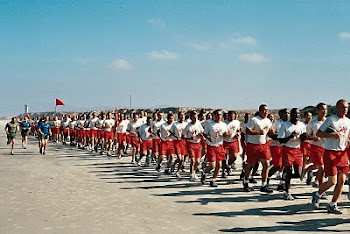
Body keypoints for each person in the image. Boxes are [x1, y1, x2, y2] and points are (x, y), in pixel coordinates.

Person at [312, 99, 350, 214]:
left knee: (342, 180)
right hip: (330, 152)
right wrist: (331, 135)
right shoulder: (330, 120)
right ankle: (317, 194)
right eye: (343, 107)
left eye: (346, 107)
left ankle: (333, 204)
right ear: (337, 107)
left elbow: (348, 135)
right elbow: (318, 133)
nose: (345, 109)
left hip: (342, 153)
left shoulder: (348, 121)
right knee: (332, 181)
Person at [278, 108, 307, 200]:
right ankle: (287, 192)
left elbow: (303, 139)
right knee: (289, 171)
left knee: (299, 174)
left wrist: (303, 137)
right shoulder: (285, 125)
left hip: (298, 150)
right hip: (287, 149)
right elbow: (280, 140)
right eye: (295, 114)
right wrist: (291, 136)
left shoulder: (302, 125)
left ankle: (285, 177)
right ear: (291, 115)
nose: (297, 116)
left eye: (298, 114)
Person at [243, 104, 273, 193]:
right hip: (253, 145)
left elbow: (269, 131)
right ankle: (245, 182)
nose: (266, 112)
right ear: (259, 110)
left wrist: (272, 132)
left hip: (263, 145)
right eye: (264, 110)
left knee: (266, 165)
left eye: (267, 110)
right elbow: (247, 131)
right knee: (251, 165)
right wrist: (257, 132)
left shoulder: (268, 121)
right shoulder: (254, 120)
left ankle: (264, 185)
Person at [201, 109, 229, 187]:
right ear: (214, 116)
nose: (219, 116)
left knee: (219, 165)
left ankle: (213, 180)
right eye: (217, 115)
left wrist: (226, 135)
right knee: (212, 165)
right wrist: (209, 137)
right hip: (211, 146)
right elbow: (205, 133)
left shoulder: (224, 125)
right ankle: (204, 172)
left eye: (220, 115)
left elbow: (226, 135)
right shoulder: (209, 124)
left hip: (220, 146)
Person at [304, 103, 328, 187]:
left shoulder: (329, 121)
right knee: (321, 168)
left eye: (326, 109)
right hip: (316, 147)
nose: (325, 111)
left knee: (325, 169)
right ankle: (321, 189)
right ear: (318, 111)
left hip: (327, 148)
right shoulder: (313, 122)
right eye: (322, 109)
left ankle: (312, 174)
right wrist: (313, 137)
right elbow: (306, 136)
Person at [267, 108, 289, 191]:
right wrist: (280, 136)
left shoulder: (289, 123)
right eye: (284, 113)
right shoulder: (277, 123)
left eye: (288, 113)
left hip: (286, 146)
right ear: (280, 115)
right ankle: (267, 177)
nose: (286, 115)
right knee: (277, 165)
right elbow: (271, 134)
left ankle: (281, 183)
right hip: (276, 146)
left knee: (286, 165)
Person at [183, 111, 204, 181]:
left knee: (198, 161)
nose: (195, 119)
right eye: (193, 117)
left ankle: (193, 171)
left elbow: (202, 132)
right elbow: (183, 136)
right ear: (190, 117)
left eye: (196, 117)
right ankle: (191, 174)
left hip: (197, 144)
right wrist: (189, 138)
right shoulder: (188, 126)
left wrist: (200, 135)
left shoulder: (198, 124)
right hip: (190, 143)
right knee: (192, 160)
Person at [223, 111, 241, 178]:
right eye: (231, 116)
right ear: (228, 116)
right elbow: (221, 132)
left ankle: (229, 165)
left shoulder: (237, 122)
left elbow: (238, 130)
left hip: (233, 141)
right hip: (225, 141)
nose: (232, 118)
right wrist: (225, 134)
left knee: (235, 156)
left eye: (233, 116)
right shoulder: (224, 123)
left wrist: (238, 134)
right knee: (224, 157)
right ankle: (223, 171)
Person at [170, 111, 188, 178]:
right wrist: (175, 135)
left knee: (182, 159)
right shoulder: (175, 124)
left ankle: (176, 169)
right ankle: (175, 167)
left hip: (183, 142)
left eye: (183, 115)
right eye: (181, 115)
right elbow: (171, 131)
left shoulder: (186, 124)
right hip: (177, 142)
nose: (182, 117)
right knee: (180, 158)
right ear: (178, 116)